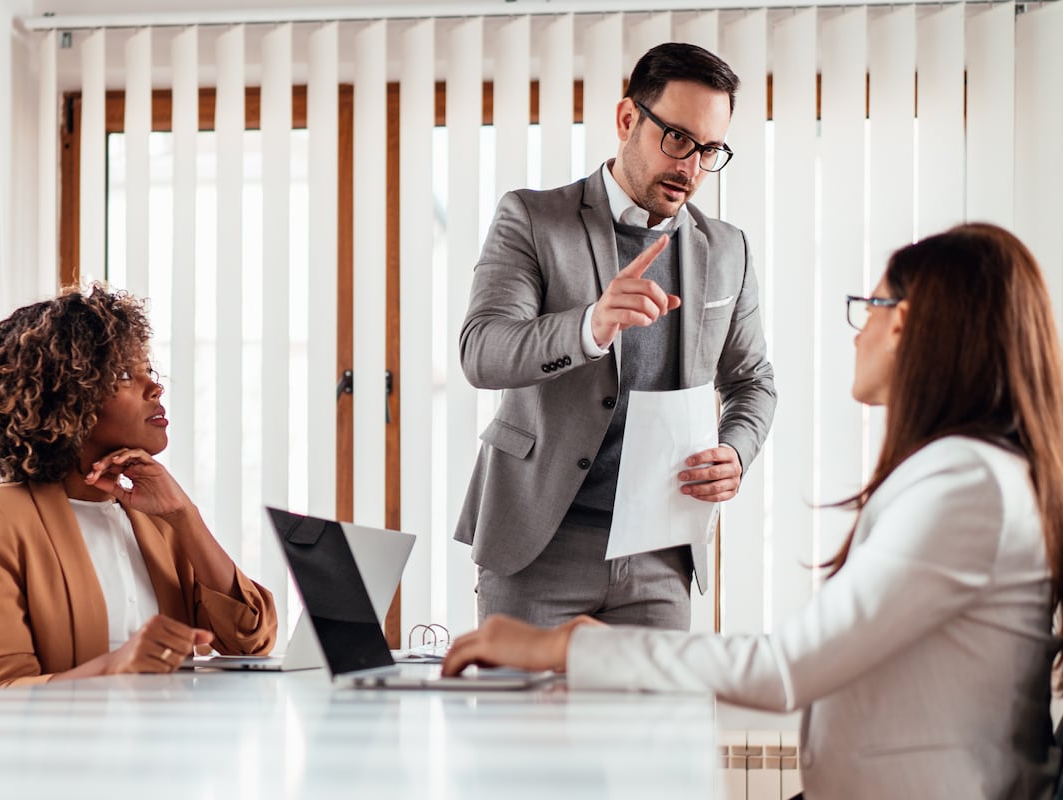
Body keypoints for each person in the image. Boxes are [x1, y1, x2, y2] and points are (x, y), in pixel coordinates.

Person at [444, 223, 1063, 798]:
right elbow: (816, 671)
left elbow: (790, 668)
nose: (858, 330)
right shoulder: (970, 474)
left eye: (868, 307)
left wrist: (570, 649)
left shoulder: (967, 486)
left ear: (905, 325)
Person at [455, 42, 776, 630]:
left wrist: (736, 450)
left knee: (659, 725)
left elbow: (752, 382)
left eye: (709, 150)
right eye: (677, 139)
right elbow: (482, 352)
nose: (690, 167)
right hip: (538, 547)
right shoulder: (532, 217)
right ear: (628, 119)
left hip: (660, 552)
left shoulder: (729, 249)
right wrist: (590, 325)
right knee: (522, 725)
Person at [0, 285, 278, 690]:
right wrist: (115, 666)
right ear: (64, 397)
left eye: (148, 372)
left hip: (172, 745)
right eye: (122, 375)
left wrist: (183, 516)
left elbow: (250, 640)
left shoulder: (157, 519)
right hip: (67, 751)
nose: (155, 388)